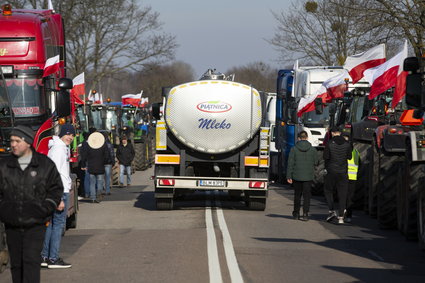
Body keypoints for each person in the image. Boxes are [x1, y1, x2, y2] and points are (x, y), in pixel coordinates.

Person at [0, 125, 63, 283]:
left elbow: (55, 189)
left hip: (35, 225)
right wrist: (4, 210)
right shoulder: (4, 165)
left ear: (27, 142)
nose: (12, 144)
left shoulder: (44, 164)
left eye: (17, 140)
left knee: (31, 263)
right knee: (16, 266)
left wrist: (44, 209)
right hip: (12, 225)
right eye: (11, 140)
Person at [41, 124, 75, 269]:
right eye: (68, 134)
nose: (70, 137)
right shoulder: (59, 150)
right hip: (59, 192)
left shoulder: (58, 148)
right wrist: (58, 197)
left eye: (72, 135)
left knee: (51, 224)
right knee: (58, 225)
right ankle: (53, 258)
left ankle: (45, 256)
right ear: (61, 134)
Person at [286, 131, 318, 221]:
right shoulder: (313, 150)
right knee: (307, 196)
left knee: (297, 195)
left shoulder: (294, 149)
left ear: (298, 138)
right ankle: (305, 214)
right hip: (308, 176)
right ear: (307, 138)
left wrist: (289, 176)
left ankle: (296, 213)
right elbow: (316, 162)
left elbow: (290, 163)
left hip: (297, 176)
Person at [323, 126, 352, 224]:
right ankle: (341, 216)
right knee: (343, 193)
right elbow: (349, 157)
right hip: (343, 171)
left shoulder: (329, 143)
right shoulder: (347, 144)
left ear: (332, 133)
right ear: (340, 132)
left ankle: (331, 211)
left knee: (328, 190)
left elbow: (326, 157)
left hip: (331, 171)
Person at [81, 131, 109, 203]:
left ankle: (93, 198)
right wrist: (104, 162)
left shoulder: (89, 145)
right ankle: (98, 195)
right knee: (99, 182)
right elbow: (107, 155)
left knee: (92, 183)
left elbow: (84, 156)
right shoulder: (103, 145)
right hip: (100, 167)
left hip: (91, 167)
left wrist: (83, 164)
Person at [342, 132, 359, 223]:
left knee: (343, 195)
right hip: (353, 177)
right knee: (350, 198)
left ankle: (342, 212)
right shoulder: (356, 152)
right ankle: (349, 216)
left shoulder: (343, 151)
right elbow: (359, 164)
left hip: (344, 176)